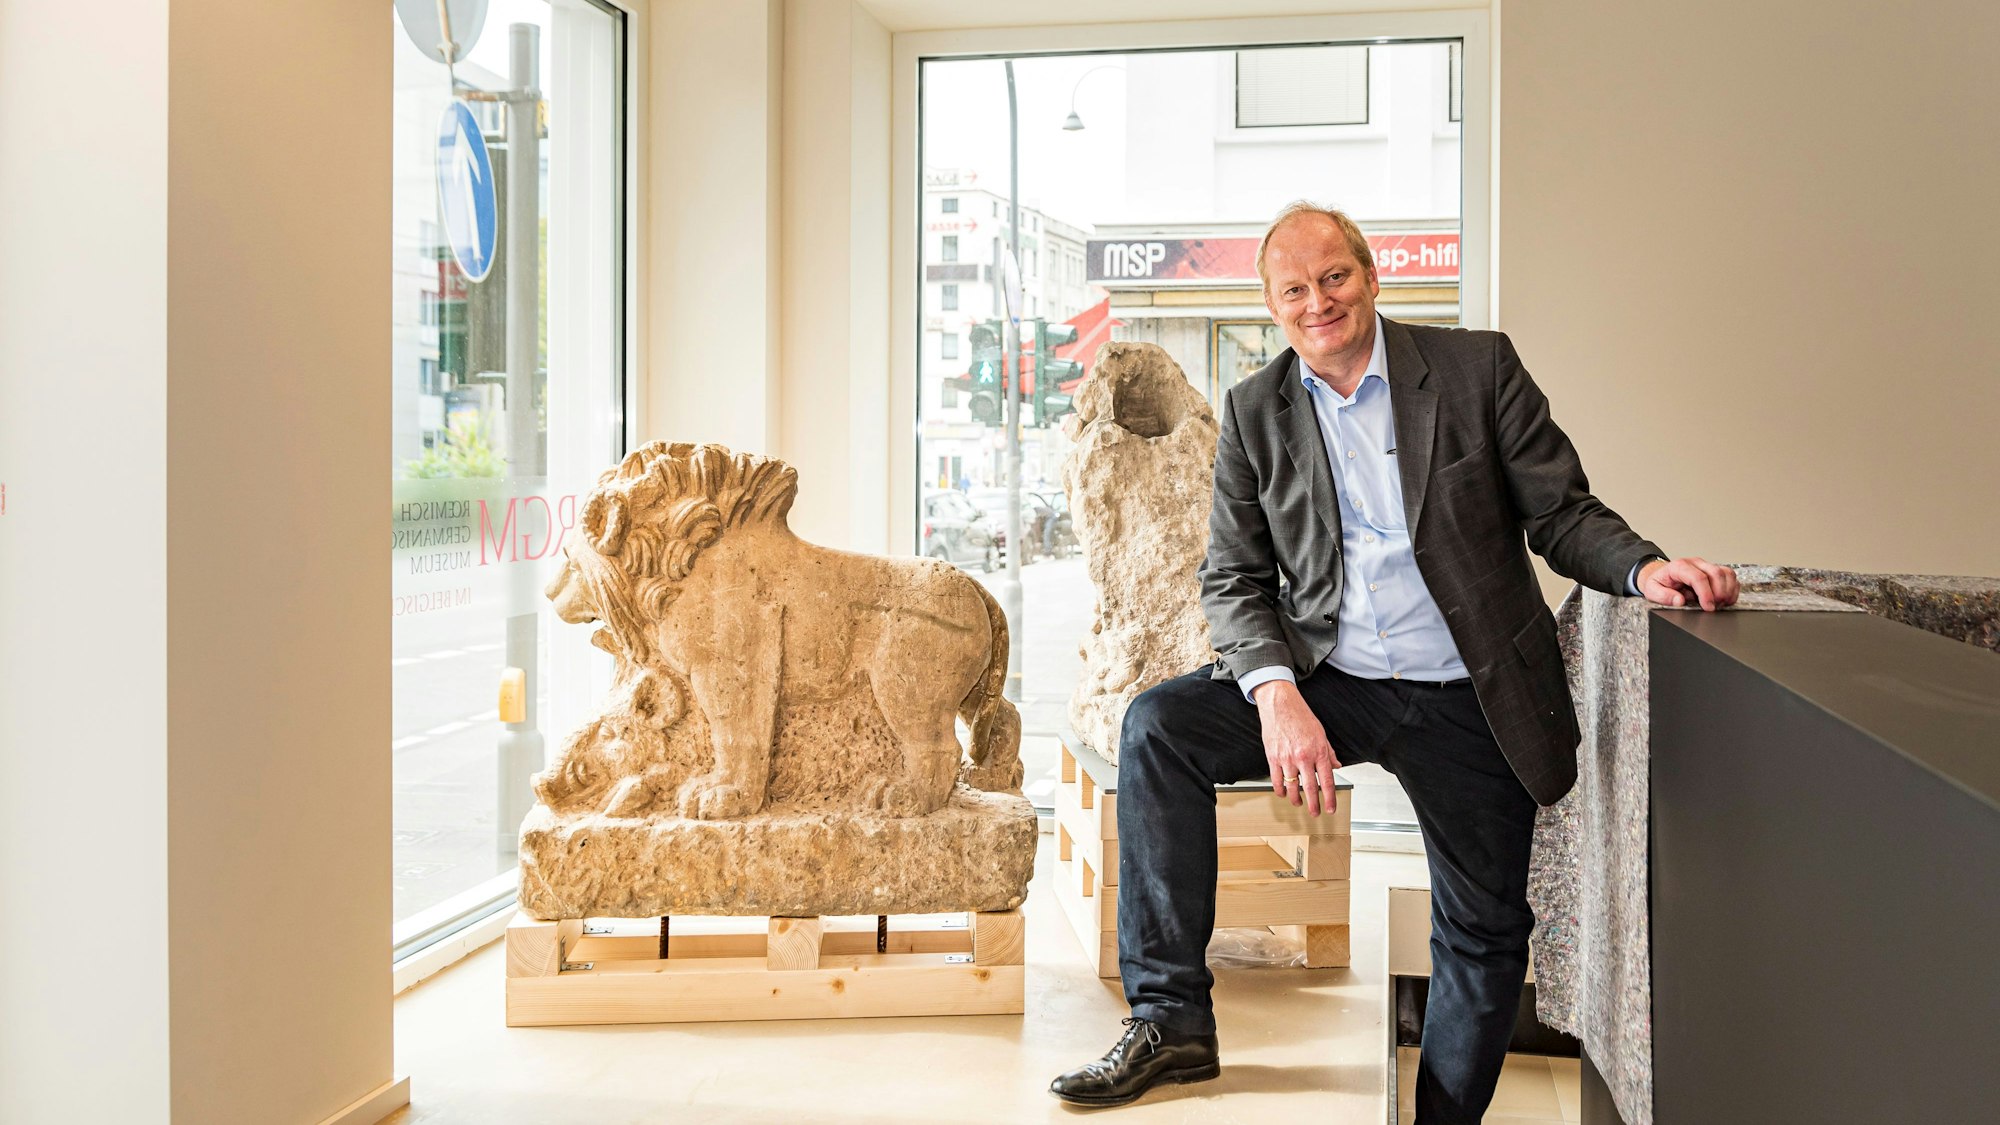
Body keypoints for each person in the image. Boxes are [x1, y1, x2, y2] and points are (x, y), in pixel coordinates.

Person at [1047, 202, 1739, 1120]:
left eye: (1334, 277)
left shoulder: (1475, 369)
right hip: (1333, 677)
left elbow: (1561, 511)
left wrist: (1645, 568)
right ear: (1272, 306)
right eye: (1294, 289)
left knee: (1485, 931)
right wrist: (1277, 695)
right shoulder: (1256, 411)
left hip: (1469, 689)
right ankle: (1172, 1019)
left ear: (1372, 278)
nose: (1318, 301)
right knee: (1159, 727)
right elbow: (1234, 577)